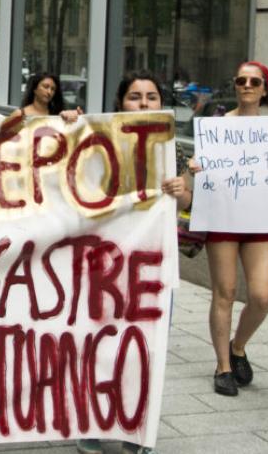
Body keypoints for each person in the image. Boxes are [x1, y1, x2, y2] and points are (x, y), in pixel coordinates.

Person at [76, 70, 190, 454]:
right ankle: (90, 423)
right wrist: (67, 130)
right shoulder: (96, 142)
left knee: (147, 348)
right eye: (135, 97)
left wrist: (182, 193)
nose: (144, 104)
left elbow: (191, 205)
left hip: (153, 268)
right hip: (104, 264)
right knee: (99, 342)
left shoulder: (175, 148)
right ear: (120, 104)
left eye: (152, 97)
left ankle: (135, 428)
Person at [187, 61, 268, 397]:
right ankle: (223, 367)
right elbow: (203, 171)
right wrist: (196, 167)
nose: (247, 85)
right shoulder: (217, 127)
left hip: (258, 221)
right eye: (241, 79)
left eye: (255, 81)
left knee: (261, 296)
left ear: (264, 89)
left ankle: (238, 346)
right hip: (223, 218)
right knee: (224, 292)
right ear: (235, 85)